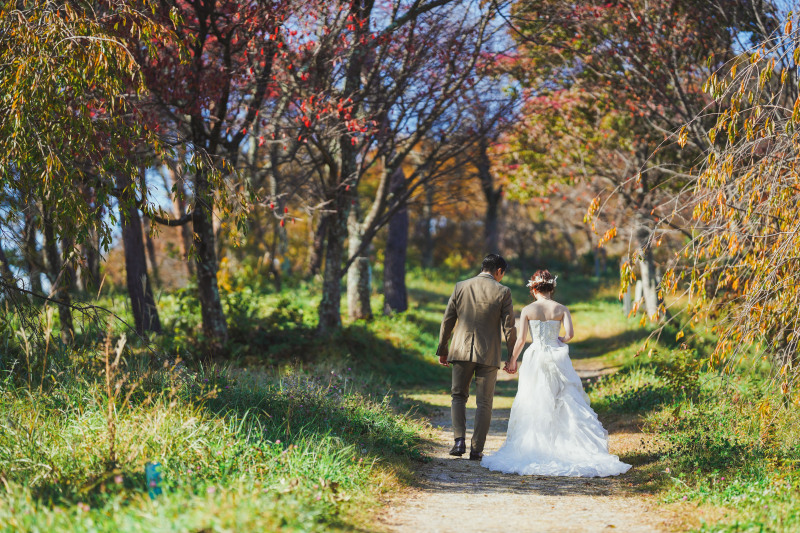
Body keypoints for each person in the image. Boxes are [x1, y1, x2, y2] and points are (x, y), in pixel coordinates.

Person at [481, 269, 631, 477]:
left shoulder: (527, 310)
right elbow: (569, 334)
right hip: (556, 356)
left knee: (534, 399)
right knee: (563, 399)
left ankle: (538, 445)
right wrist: (559, 341)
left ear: (533, 289)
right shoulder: (562, 309)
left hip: (535, 357)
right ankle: (566, 443)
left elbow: (522, 340)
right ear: (552, 287)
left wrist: (513, 360)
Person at [436, 254, 517, 461]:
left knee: (458, 396)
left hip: (460, 350)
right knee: (484, 402)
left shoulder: (460, 286)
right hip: (488, 353)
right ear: (499, 271)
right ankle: (476, 449)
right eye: (502, 274)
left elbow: (447, 320)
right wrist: (512, 356)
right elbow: (509, 327)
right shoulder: (503, 291)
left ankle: (458, 441)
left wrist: (443, 348)